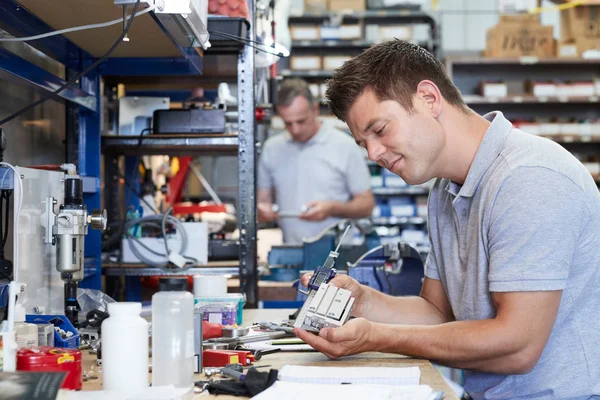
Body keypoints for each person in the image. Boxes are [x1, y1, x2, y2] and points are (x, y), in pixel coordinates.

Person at [294, 40, 600, 399]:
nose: (374, 153)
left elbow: (518, 346)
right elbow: (438, 312)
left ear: (429, 99)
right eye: (364, 144)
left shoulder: (528, 177)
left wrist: (376, 336)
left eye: (379, 130)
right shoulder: (445, 189)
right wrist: (362, 302)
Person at [258, 78, 375, 244]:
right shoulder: (272, 149)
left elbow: (366, 205)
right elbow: (263, 202)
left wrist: (332, 209)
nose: (295, 130)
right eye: (288, 123)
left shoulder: (344, 146)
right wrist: (263, 210)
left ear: (314, 109)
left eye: (301, 121)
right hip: (289, 253)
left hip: (336, 255)